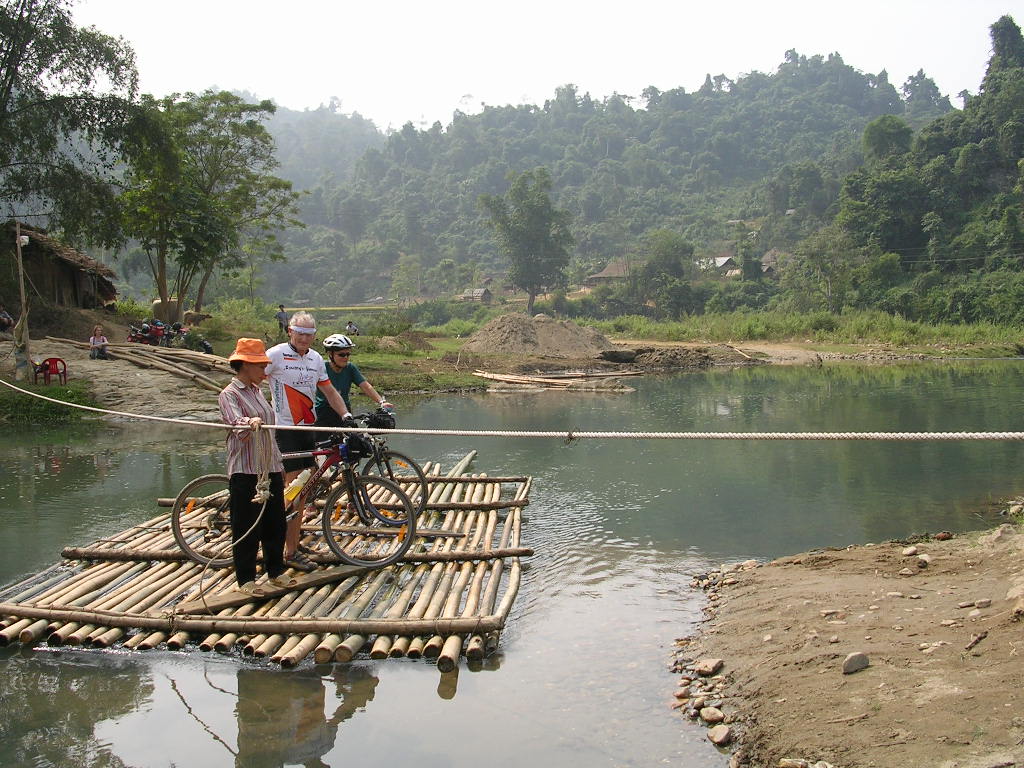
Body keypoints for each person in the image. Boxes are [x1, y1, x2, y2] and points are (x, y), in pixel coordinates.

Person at [265, 312, 351, 572]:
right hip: (285, 428)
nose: (304, 338)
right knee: (294, 490)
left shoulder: (315, 359)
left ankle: (293, 540)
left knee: (303, 489)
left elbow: (329, 391)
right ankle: (289, 552)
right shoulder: (276, 354)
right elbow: (252, 379)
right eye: (299, 333)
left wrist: (345, 415)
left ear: (314, 336)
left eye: (309, 334)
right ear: (290, 332)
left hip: (308, 428)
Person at [219, 338, 298, 595]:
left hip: (269, 466)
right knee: (246, 526)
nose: (265, 370)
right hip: (246, 470)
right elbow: (237, 425)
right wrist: (249, 421)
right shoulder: (229, 394)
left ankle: (275, 571)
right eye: (260, 366)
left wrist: (278, 463)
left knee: (275, 522)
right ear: (244, 365)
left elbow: (270, 431)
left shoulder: (257, 392)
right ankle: (246, 580)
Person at [314, 334, 391, 428]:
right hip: (323, 411)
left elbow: (366, 386)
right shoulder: (322, 367)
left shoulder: (350, 368)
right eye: (342, 355)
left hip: (345, 410)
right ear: (330, 354)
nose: (345, 357)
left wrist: (382, 402)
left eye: (348, 354)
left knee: (355, 436)